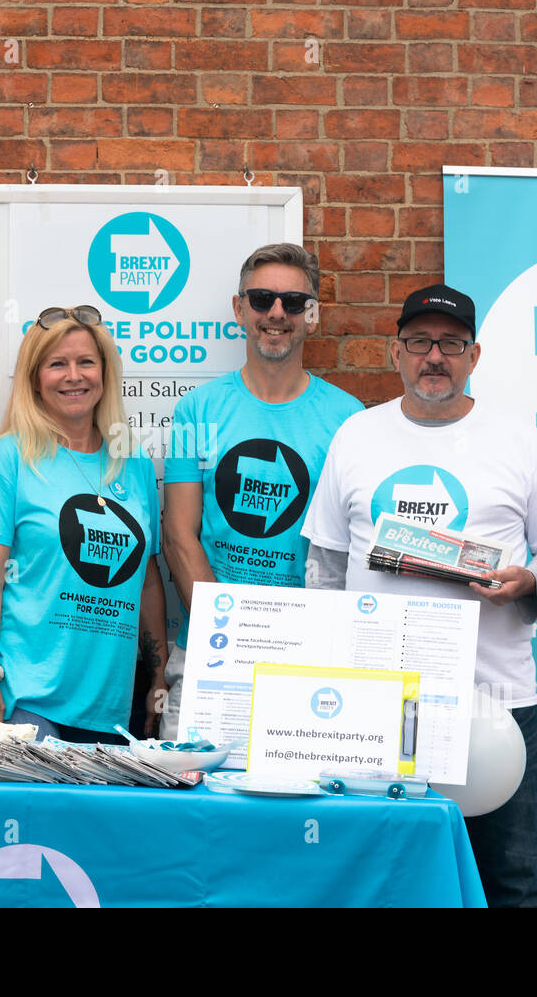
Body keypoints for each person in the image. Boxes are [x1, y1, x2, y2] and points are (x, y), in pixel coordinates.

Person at [301, 283, 537, 908]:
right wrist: (325, 677)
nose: (435, 356)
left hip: (495, 702)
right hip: (372, 706)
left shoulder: (518, 440)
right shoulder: (357, 435)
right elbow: (323, 563)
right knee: (377, 884)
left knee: (509, 885)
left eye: (451, 344)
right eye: (420, 342)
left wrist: (530, 580)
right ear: (395, 353)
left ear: (474, 354)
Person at [160, 243, 363, 739]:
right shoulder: (195, 410)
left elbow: (348, 549)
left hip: (307, 656)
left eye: (294, 303)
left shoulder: (350, 420)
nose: (277, 313)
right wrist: (225, 634)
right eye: (262, 299)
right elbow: (179, 536)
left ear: (312, 315)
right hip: (209, 649)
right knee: (187, 809)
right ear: (238, 308)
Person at [0, 306, 169, 742]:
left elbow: (148, 579)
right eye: (57, 364)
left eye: (85, 362)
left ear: (104, 372)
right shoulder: (9, 459)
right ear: (35, 378)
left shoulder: (132, 465)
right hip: (26, 701)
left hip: (110, 709)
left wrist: (159, 676)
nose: (73, 376)